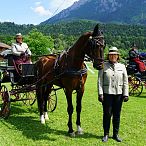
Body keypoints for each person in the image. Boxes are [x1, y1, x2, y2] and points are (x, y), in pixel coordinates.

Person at [98, 47, 129, 142]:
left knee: (117, 115)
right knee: (107, 114)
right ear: (108, 56)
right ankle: (106, 134)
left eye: (114, 55)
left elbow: (125, 81)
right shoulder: (103, 66)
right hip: (107, 94)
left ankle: (115, 134)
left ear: (117, 56)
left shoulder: (122, 66)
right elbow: (100, 81)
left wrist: (126, 94)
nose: (113, 56)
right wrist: (100, 93)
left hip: (119, 95)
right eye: (111, 55)